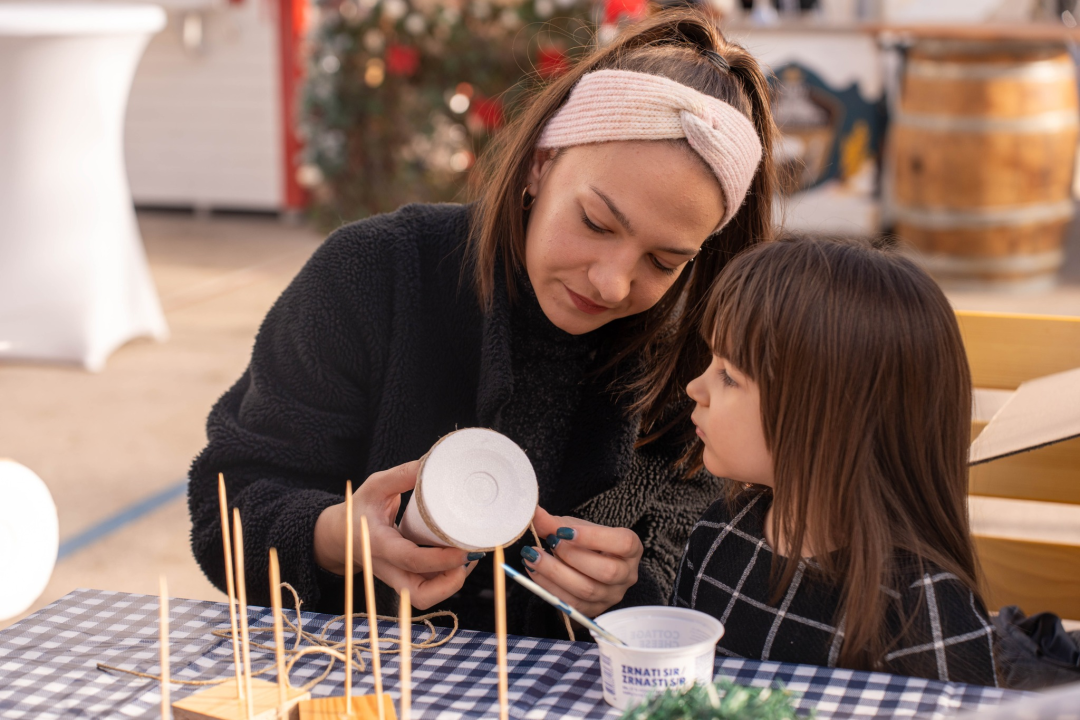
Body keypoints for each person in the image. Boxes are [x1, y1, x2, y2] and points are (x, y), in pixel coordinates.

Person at [188, 8, 778, 639]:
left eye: (664, 262)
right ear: (541, 163)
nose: (612, 282)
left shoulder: (696, 360)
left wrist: (629, 591)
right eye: (596, 223)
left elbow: (708, 567)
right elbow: (227, 508)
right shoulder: (373, 274)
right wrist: (337, 536)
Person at [674, 237, 998, 685]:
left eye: (729, 375)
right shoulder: (717, 533)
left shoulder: (920, 612)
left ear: (829, 417)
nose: (695, 387)